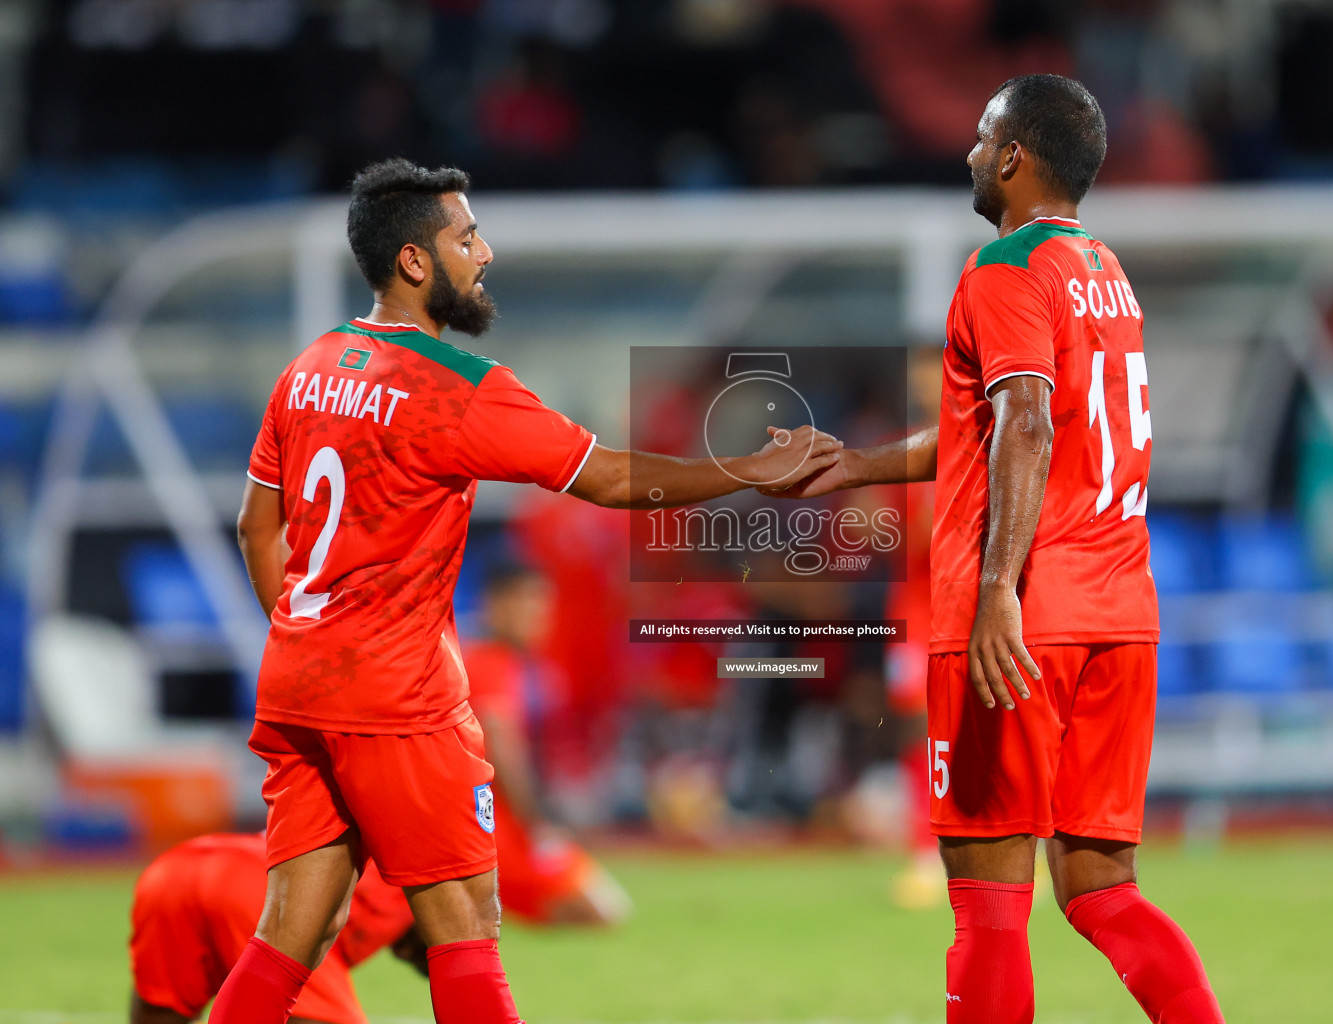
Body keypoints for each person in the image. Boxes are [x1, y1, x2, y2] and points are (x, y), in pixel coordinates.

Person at [222, 158, 842, 1023]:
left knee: (291, 932)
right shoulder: (455, 391)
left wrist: (305, 639)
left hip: (297, 680)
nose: (485, 251)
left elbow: (259, 527)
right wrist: (749, 469)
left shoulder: (309, 368)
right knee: (465, 923)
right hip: (397, 695)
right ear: (413, 262)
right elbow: (613, 480)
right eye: (466, 237)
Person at [766, 75, 1222, 1022]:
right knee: (1103, 890)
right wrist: (859, 467)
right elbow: (998, 422)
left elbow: (1023, 424)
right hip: (1119, 613)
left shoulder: (1004, 270)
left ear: (1014, 157)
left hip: (1024, 620)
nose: (970, 154)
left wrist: (996, 590)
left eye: (983, 139)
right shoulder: (1105, 271)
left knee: (988, 904)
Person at [462, 560, 632, 925]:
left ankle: (487, 908)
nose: (536, 616)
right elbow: (503, 748)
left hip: (495, 822)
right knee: (604, 912)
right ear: (495, 604)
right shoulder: (490, 663)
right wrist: (536, 822)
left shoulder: (518, 663)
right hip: (498, 827)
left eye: (541, 605)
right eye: (525, 604)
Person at [130, 832, 419, 1024]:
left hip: (174, 869)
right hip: (260, 886)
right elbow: (450, 941)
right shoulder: (424, 862)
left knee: (163, 1014)